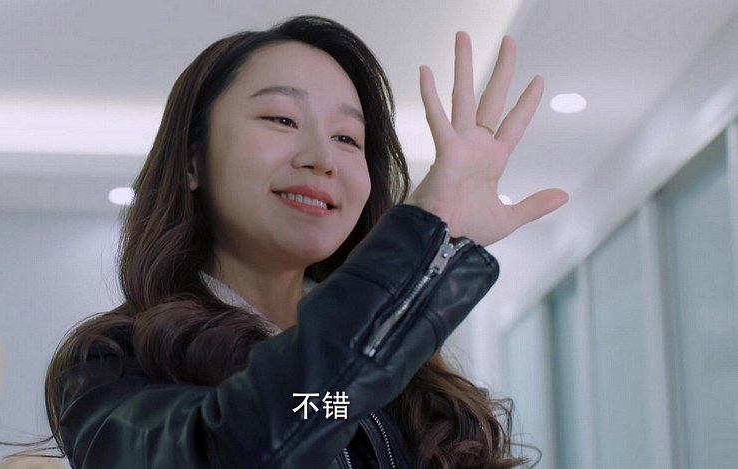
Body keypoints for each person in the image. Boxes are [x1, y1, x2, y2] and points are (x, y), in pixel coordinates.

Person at [43, 15, 567, 469]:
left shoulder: (407, 372)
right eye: (281, 119)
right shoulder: (113, 361)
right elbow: (245, 442)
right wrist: (416, 244)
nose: (322, 158)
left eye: (347, 138)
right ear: (192, 160)